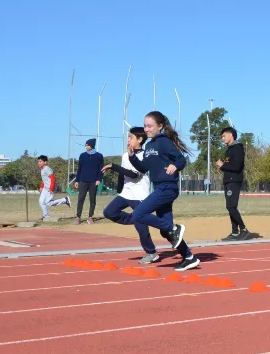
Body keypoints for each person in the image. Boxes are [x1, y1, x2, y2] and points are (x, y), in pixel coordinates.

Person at [128, 111, 199, 271]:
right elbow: (144, 168)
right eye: (145, 126)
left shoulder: (163, 142)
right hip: (160, 187)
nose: (146, 129)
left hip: (168, 187)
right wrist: (132, 157)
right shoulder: (149, 145)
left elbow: (181, 159)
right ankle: (188, 257)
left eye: (149, 126)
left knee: (138, 214)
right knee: (165, 231)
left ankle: (175, 229)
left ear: (160, 126)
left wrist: (175, 166)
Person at [101, 127, 159, 260]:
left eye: (131, 137)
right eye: (128, 137)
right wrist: (119, 190)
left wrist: (113, 166)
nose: (128, 140)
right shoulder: (124, 155)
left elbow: (134, 174)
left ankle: (151, 252)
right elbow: (123, 173)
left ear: (140, 139)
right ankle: (137, 218)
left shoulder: (144, 156)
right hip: (126, 193)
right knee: (109, 212)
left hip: (139, 195)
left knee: (141, 228)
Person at [216, 126, 250, 240]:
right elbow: (229, 166)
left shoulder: (237, 148)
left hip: (234, 181)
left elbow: (237, 166)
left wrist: (223, 165)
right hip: (228, 180)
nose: (222, 138)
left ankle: (244, 229)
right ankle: (235, 232)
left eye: (224, 135)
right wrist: (222, 166)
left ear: (231, 135)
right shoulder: (229, 149)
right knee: (230, 206)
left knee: (231, 206)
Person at [71, 138, 104, 224]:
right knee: (80, 199)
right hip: (83, 181)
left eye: (88, 145)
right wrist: (77, 180)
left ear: (92, 145)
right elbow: (79, 169)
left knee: (92, 200)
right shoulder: (82, 156)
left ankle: (90, 217)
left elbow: (101, 169)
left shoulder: (99, 156)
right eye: (86, 145)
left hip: (94, 182)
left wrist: (99, 179)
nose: (86, 146)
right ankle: (78, 217)